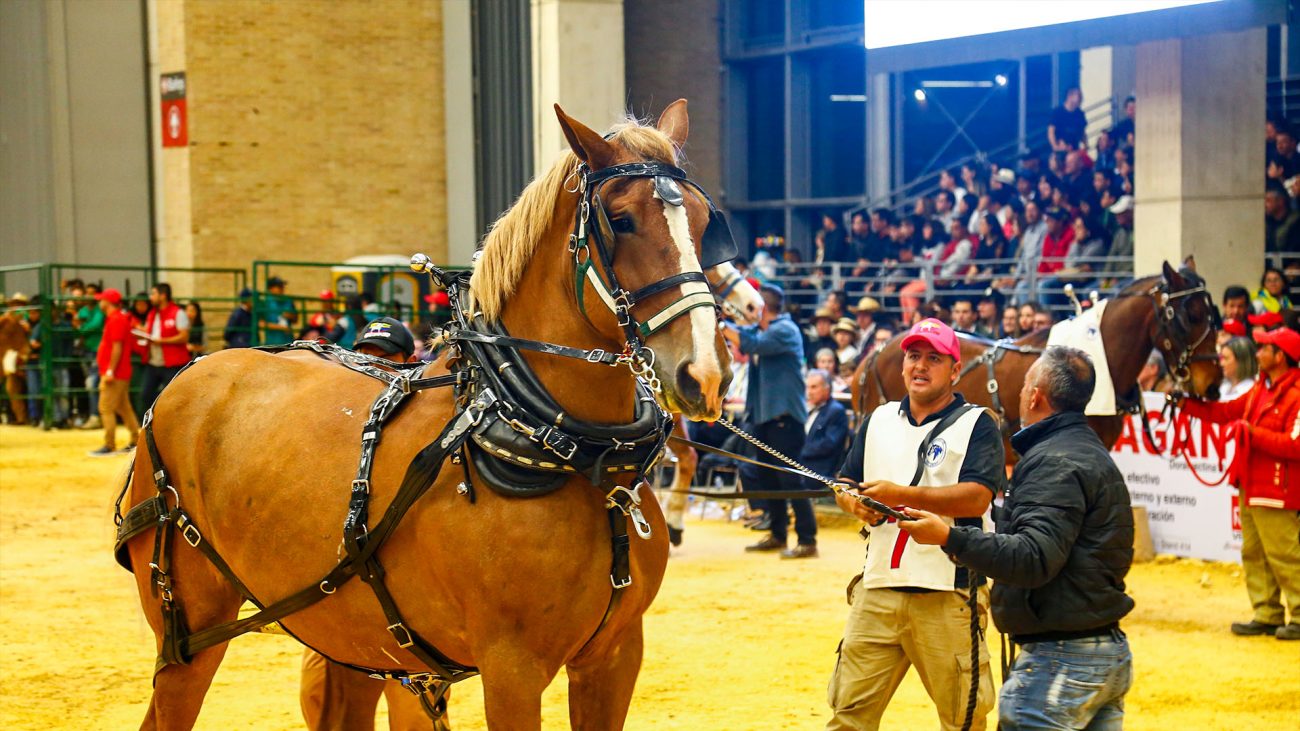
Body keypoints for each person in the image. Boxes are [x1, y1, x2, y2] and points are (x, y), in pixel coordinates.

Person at [905, 345, 1136, 730]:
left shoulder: (1052, 460)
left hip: (1061, 659)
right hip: (1101, 652)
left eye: (1026, 382)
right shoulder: (1086, 451)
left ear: (1034, 395)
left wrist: (950, 537)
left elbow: (1033, 557)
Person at [827, 318, 1003, 731]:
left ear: (955, 370)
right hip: (877, 589)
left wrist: (898, 496)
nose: (920, 366)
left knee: (964, 719)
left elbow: (978, 495)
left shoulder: (978, 423)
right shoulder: (877, 419)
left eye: (934, 358)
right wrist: (854, 503)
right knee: (847, 716)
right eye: (913, 356)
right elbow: (844, 481)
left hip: (948, 592)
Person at [299, 314, 429, 731]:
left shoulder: (428, 424)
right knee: (323, 705)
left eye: (385, 359)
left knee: (413, 718)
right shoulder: (334, 420)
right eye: (366, 358)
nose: (375, 368)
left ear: (408, 360)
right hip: (337, 592)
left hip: (410, 599)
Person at [1180, 327, 1300, 640]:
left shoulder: (1296, 394)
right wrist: (1185, 405)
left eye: (1264, 348)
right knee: (1254, 552)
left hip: (1277, 487)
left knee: (1285, 555)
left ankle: (1297, 613)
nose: (1257, 353)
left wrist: (1251, 433)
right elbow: (1225, 413)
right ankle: (1267, 612)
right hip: (1253, 482)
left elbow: (1295, 445)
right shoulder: (1262, 388)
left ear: (1281, 356)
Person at [720, 284, 807, 555]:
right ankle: (778, 535)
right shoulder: (765, 329)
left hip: (784, 420)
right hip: (765, 418)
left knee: (791, 481)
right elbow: (747, 335)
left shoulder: (785, 330)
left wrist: (722, 326)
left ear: (763, 308)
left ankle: (808, 540)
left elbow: (750, 343)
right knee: (769, 478)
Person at [772, 369, 846, 560]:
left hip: (819, 468)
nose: (809, 392)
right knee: (769, 472)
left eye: (814, 387)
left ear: (827, 389)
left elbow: (830, 444)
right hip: (800, 463)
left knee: (791, 480)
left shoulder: (836, 411)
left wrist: (798, 452)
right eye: (807, 387)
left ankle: (806, 541)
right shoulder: (805, 408)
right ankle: (772, 524)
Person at [89, 289, 140, 456]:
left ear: (108, 302)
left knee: (105, 407)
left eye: (101, 300)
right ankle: (135, 440)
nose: (99, 302)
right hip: (119, 372)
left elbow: (117, 347)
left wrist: (110, 370)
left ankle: (109, 444)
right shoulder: (117, 318)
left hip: (115, 373)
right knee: (123, 408)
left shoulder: (116, 319)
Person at [138, 283, 191, 410]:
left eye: (153, 294)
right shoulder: (152, 314)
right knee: (145, 395)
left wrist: (162, 341)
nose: (150, 297)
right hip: (153, 362)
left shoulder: (178, 313)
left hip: (173, 363)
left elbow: (184, 337)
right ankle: (153, 422)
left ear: (163, 296)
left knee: (172, 397)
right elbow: (150, 331)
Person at [74, 287, 105, 430]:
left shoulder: (100, 310)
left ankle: (95, 416)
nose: (88, 295)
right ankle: (94, 415)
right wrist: (81, 327)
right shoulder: (84, 310)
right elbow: (75, 324)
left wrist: (81, 328)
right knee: (89, 384)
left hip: (97, 352)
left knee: (93, 384)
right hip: (85, 351)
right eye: (87, 292)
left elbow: (95, 325)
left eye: (92, 293)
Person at [1217, 336, 1258, 402]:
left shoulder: (1252, 391)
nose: (1221, 364)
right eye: (1221, 358)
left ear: (1242, 361)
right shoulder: (1222, 385)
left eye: (1226, 358)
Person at [1265, 180, 1300, 255]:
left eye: (1268, 200)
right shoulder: (1268, 223)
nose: (1265, 205)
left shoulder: (1296, 222)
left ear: (1280, 201)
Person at [1048, 87, 1087, 153]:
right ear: (1069, 96)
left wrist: (1086, 145)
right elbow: (1051, 132)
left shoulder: (1080, 114)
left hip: (1075, 149)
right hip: (1060, 149)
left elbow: (1082, 132)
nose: (1081, 99)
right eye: (1079, 96)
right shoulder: (1057, 112)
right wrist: (1055, 146)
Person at [261, 276, 297, 345]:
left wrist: (290, 316)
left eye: (282, 286)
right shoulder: (266, 302)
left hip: (288, 341)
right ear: (271, 289)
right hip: (272, 342)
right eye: (279, 287)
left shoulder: (288, 301)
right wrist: (281, 327)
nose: (282, 288)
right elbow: (261, 323)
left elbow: (295, 320)